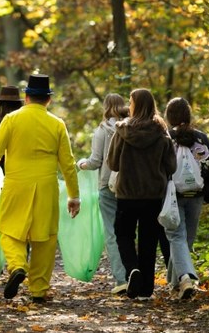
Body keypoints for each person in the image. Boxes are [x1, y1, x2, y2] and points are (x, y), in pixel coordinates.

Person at [0, 73, 80, 303]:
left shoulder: (11, 120)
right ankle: (38, 290)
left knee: (9, 230)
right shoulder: (57, 124)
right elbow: (68, 164)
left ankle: (17, 265)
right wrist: (74, 196)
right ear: (48, 100)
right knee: (44, 239)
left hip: (16, 185)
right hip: (47, 187)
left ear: (26, 97)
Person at [107, 88, 176, 300]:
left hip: (127, 194)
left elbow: (113, 164)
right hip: (153, 194)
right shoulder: (162, 132)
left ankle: (132, 270)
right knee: (149, 240)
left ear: (135, 105)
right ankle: (146, 290)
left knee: (123, 234)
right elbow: (171, 166)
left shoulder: (122, 131)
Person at [158, 97, 209, 300]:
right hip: (196, 195)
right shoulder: (201, 138)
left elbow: (158, 167)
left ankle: (185, 278)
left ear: (168, 116)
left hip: (173, 196)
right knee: (185, 240)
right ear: (188, 115)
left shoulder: (165, 138)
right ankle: (176, 283)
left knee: (177, 238)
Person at [77, 93, 130, 294]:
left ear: (106, 107)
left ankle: (121, 279)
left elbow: (95, 162)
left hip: (107, 187)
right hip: (129, 188)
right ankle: (134, 272)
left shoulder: (102, 130)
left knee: (112, 233)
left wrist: (80, 164)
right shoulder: (130, 127)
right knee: (128, 232)